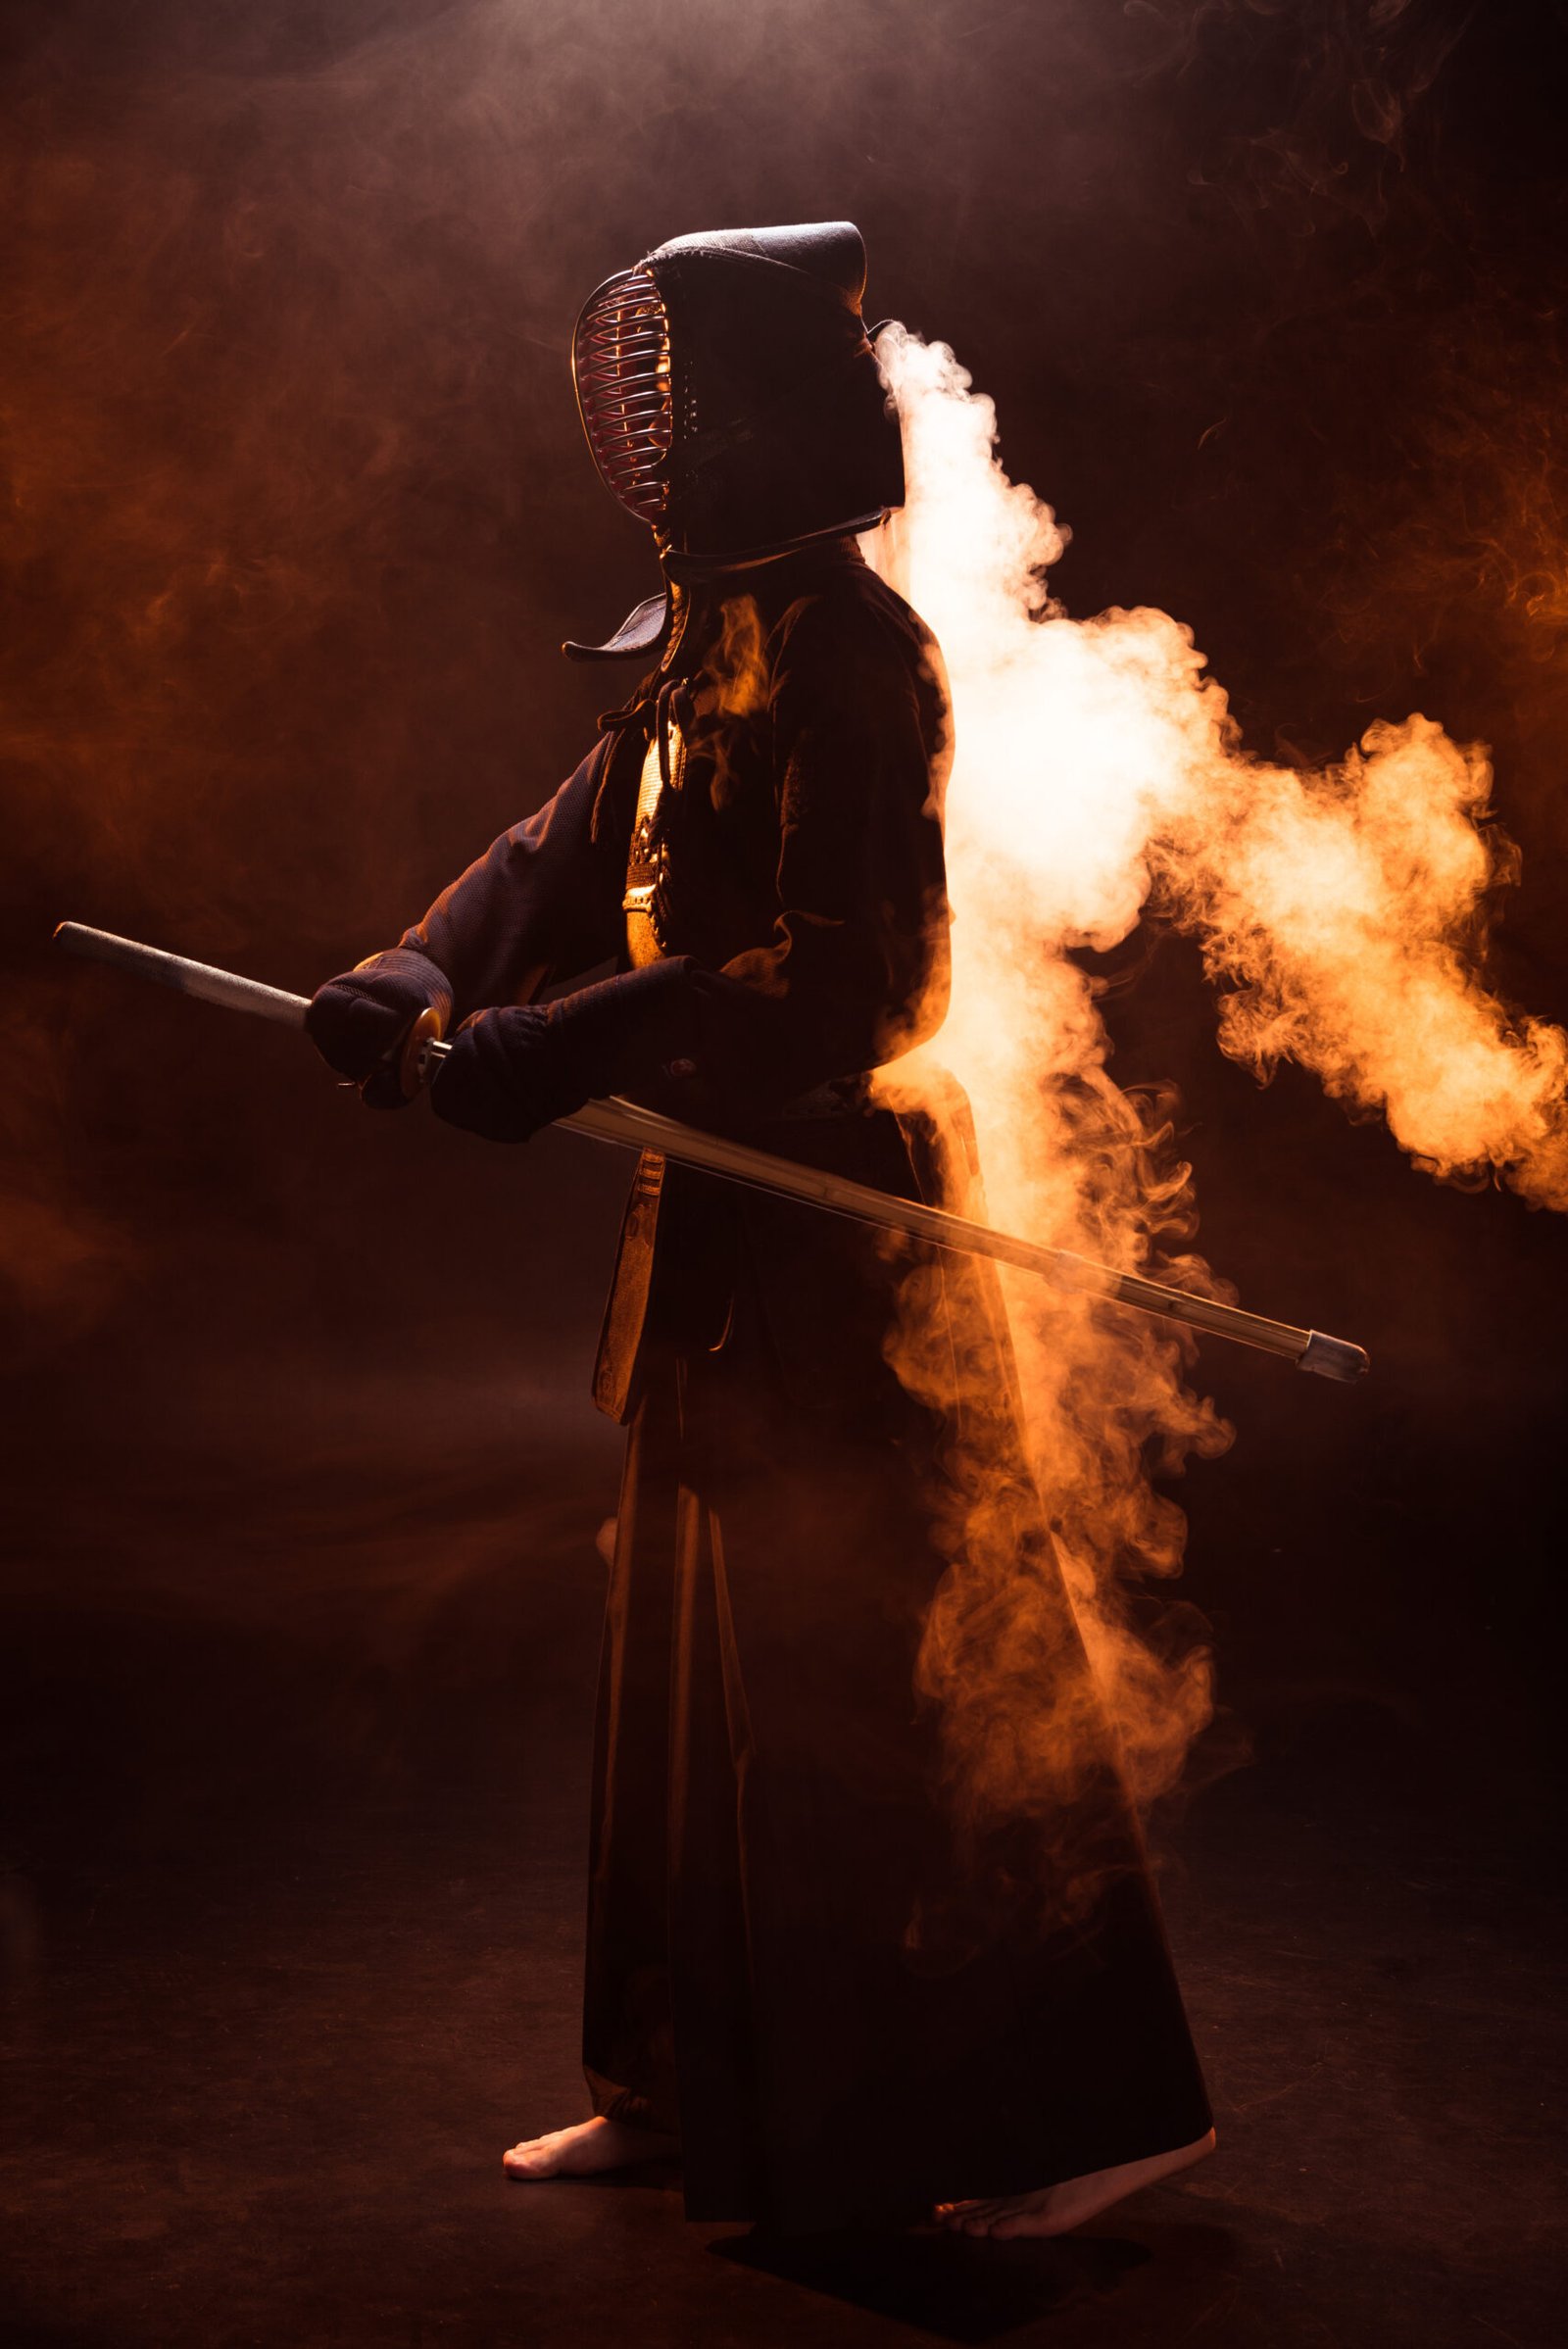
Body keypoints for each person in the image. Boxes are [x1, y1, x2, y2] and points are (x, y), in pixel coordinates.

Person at [307, 222, 1214, 2238]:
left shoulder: (852, 656)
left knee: (896, 1676)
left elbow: (854, 986)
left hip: (838, 1248)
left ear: (768, 411)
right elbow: (561, 845)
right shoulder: (700, 629)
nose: (647, 426)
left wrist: (558, 1045)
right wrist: (413, 967)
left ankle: (1081, 2108)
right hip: (704, 1233)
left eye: (681, 385)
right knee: (681, 1691)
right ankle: (684, 2078)